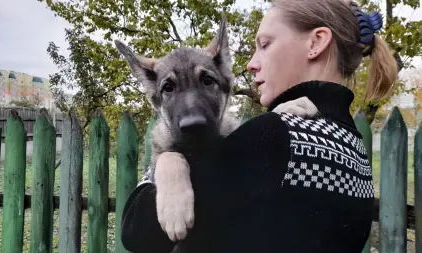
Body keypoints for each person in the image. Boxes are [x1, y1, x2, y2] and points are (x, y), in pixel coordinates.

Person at [120, 0, 398, 252]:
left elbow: (135, 231)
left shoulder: (271, 138)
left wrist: (164, 164)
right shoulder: (352, 144)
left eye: (264, 44)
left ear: (316, 42)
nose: (251, 64)